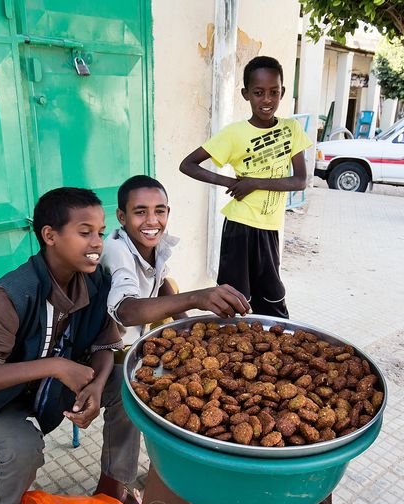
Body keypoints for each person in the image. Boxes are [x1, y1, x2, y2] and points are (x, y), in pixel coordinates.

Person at [0, 187, 140, 504]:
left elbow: (107, 345)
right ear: (50, 235)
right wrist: (56, 365)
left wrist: (95, 383)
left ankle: (113, 489)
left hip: (53, 390)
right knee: (23, 448)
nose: (96, 244)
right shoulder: (15, 292)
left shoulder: (95, 282)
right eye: (84, 232)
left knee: (127, 388)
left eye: (101, 232)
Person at [179, 55, 312, 318]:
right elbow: (188, 164)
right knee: (233, 300)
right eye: (259, 93)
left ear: (282, 92)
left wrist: (253, 183)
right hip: (239, 227)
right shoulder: (234, 133)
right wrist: (228, 182)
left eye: (274, 92)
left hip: (270, 229)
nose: (267, 100)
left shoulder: (291, 129)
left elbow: (300, 180)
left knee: (272, 298)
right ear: (246, 94)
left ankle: (276, 349)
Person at [99, 174, 251, 351]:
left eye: (159, 211)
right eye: (140, 212)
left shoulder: (153, 238)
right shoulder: (116, 249)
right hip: (115, 347)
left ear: (167, 212)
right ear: (121, 216)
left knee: (171, 284)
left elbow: (161, 281)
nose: (152, 220)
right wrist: (195, 298)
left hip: (142, 328)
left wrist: (187, 326)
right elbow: (126, 311)